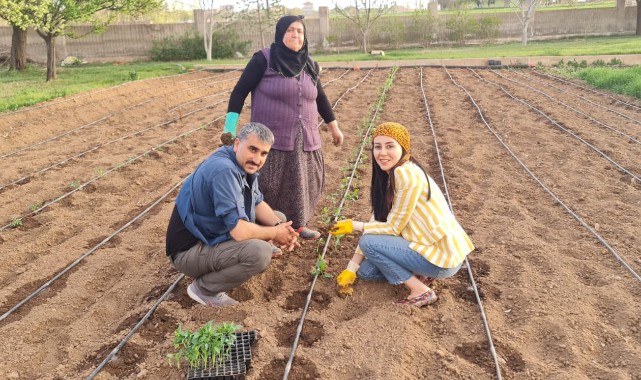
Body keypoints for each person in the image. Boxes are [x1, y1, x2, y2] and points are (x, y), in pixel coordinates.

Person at [222, 15, 344, 241]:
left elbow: (321, 98)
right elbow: (239, 92)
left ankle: (297, 225)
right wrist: (230, 127)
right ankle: (263, 230)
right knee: (268, 185)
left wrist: (333, 127)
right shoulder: (264, 60)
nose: (295, 34)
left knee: (301, 184)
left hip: (305, 137)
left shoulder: (310, 64)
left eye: (299, 31)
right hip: (270, 139)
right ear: (280, 34)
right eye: (290, 30)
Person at [329, 122, 474, 307]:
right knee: (365, 271)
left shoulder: (404, 174)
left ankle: (421, 291)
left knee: (368, 243)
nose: (382, 153)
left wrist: (353, 225)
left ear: (403, 147)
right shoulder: (396, 172)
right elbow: (378, 220)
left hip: (442, 259)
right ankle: (419, 274)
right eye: (377, 146)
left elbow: (392, 228)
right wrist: (351, 268)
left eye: (390, 146)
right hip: (435, 250)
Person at [166, 123, 300, 307]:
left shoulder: (240, 163)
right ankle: (205, 289)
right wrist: (274, 234)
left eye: (263, 153)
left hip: (213, 233)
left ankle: (256, 244)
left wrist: (281, 228)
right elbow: (238, 231)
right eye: (252, 149)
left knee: (278, 218)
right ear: (237, 144)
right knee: (259, 253)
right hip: (190, 250)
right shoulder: (224, 170)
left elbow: (257, 202)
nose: (257, 159)